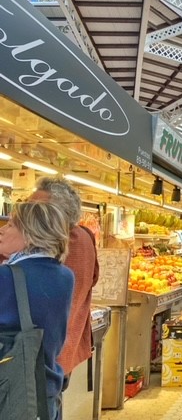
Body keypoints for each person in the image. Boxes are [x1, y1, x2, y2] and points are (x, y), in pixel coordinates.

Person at [0, 202, 74, 420]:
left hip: (11, 396)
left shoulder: (7, 278)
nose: (3, 229)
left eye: (12, 225)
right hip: (46, 389)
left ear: (31, 234)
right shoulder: (65, 276)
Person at [29, 177, 100, 384]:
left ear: (56, 214)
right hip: (64, 353)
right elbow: (93, 278)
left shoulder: (50, 245)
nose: (25, 214)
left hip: (40, 357)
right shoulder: (86, 238)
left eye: (34, 208)